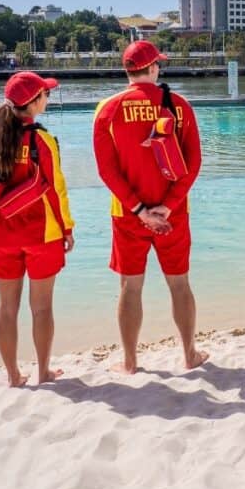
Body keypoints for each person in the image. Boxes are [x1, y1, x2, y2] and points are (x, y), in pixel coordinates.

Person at [93, 41, 206, 374]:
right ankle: (189, 355)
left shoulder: (108, 109)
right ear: (154, 67)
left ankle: (130, 362)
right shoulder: (180, 105)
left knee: (130, 287)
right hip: (174, 214)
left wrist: (139, 209)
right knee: (180, 284)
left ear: (127, 70)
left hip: (128, 215)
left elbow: (106, 170)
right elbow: (194, 163)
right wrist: (168, 206)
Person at [0, 72, 74, 387]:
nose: (48, 98)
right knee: (42, 307)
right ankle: (43, 372)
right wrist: (67, 228)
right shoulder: (40, 139)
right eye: (46, 94)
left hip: (0, 237)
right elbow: (56, 189)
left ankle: (13, 376)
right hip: (42, 235)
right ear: (33, 102)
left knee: (6, 307)